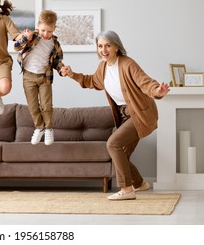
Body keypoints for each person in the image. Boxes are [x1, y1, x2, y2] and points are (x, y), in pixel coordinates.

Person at [62, 30, 170, 201]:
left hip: (139, 114)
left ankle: (127, 190)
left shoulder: (127, 64)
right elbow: (92, 81)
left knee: (113, 144)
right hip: (124, 116)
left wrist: (157, 90)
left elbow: (145, 81)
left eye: (108, 45)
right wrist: (72, 74)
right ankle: (140, 183)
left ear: (117, 47)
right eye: (100, 46)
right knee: (122, 154)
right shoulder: (103, 67)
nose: (103, 50)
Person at [14, 10, 66, 145]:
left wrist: (62, 69)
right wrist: (26, 38)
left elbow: (57, 61)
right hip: (28, 76)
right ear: (38, 26)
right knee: (33, 107)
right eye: (43, 30)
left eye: (49, 31)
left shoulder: (55, 44)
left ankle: (48, 129)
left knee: (46, 105)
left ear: (54, 28)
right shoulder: (31, 36)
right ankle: (39, 127)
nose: (46, 34)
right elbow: (16, 46)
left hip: (45, 77)